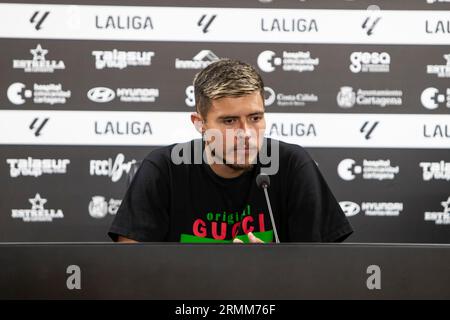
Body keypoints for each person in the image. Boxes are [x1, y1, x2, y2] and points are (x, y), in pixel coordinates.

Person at [108, 58, 353, 243]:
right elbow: (130, 272)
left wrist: (273, 269)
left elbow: (322, 271)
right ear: (200, 124)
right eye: (229, 121)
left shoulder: (292, 165)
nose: (246, 133)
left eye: (255, 118)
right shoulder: (163, 170)